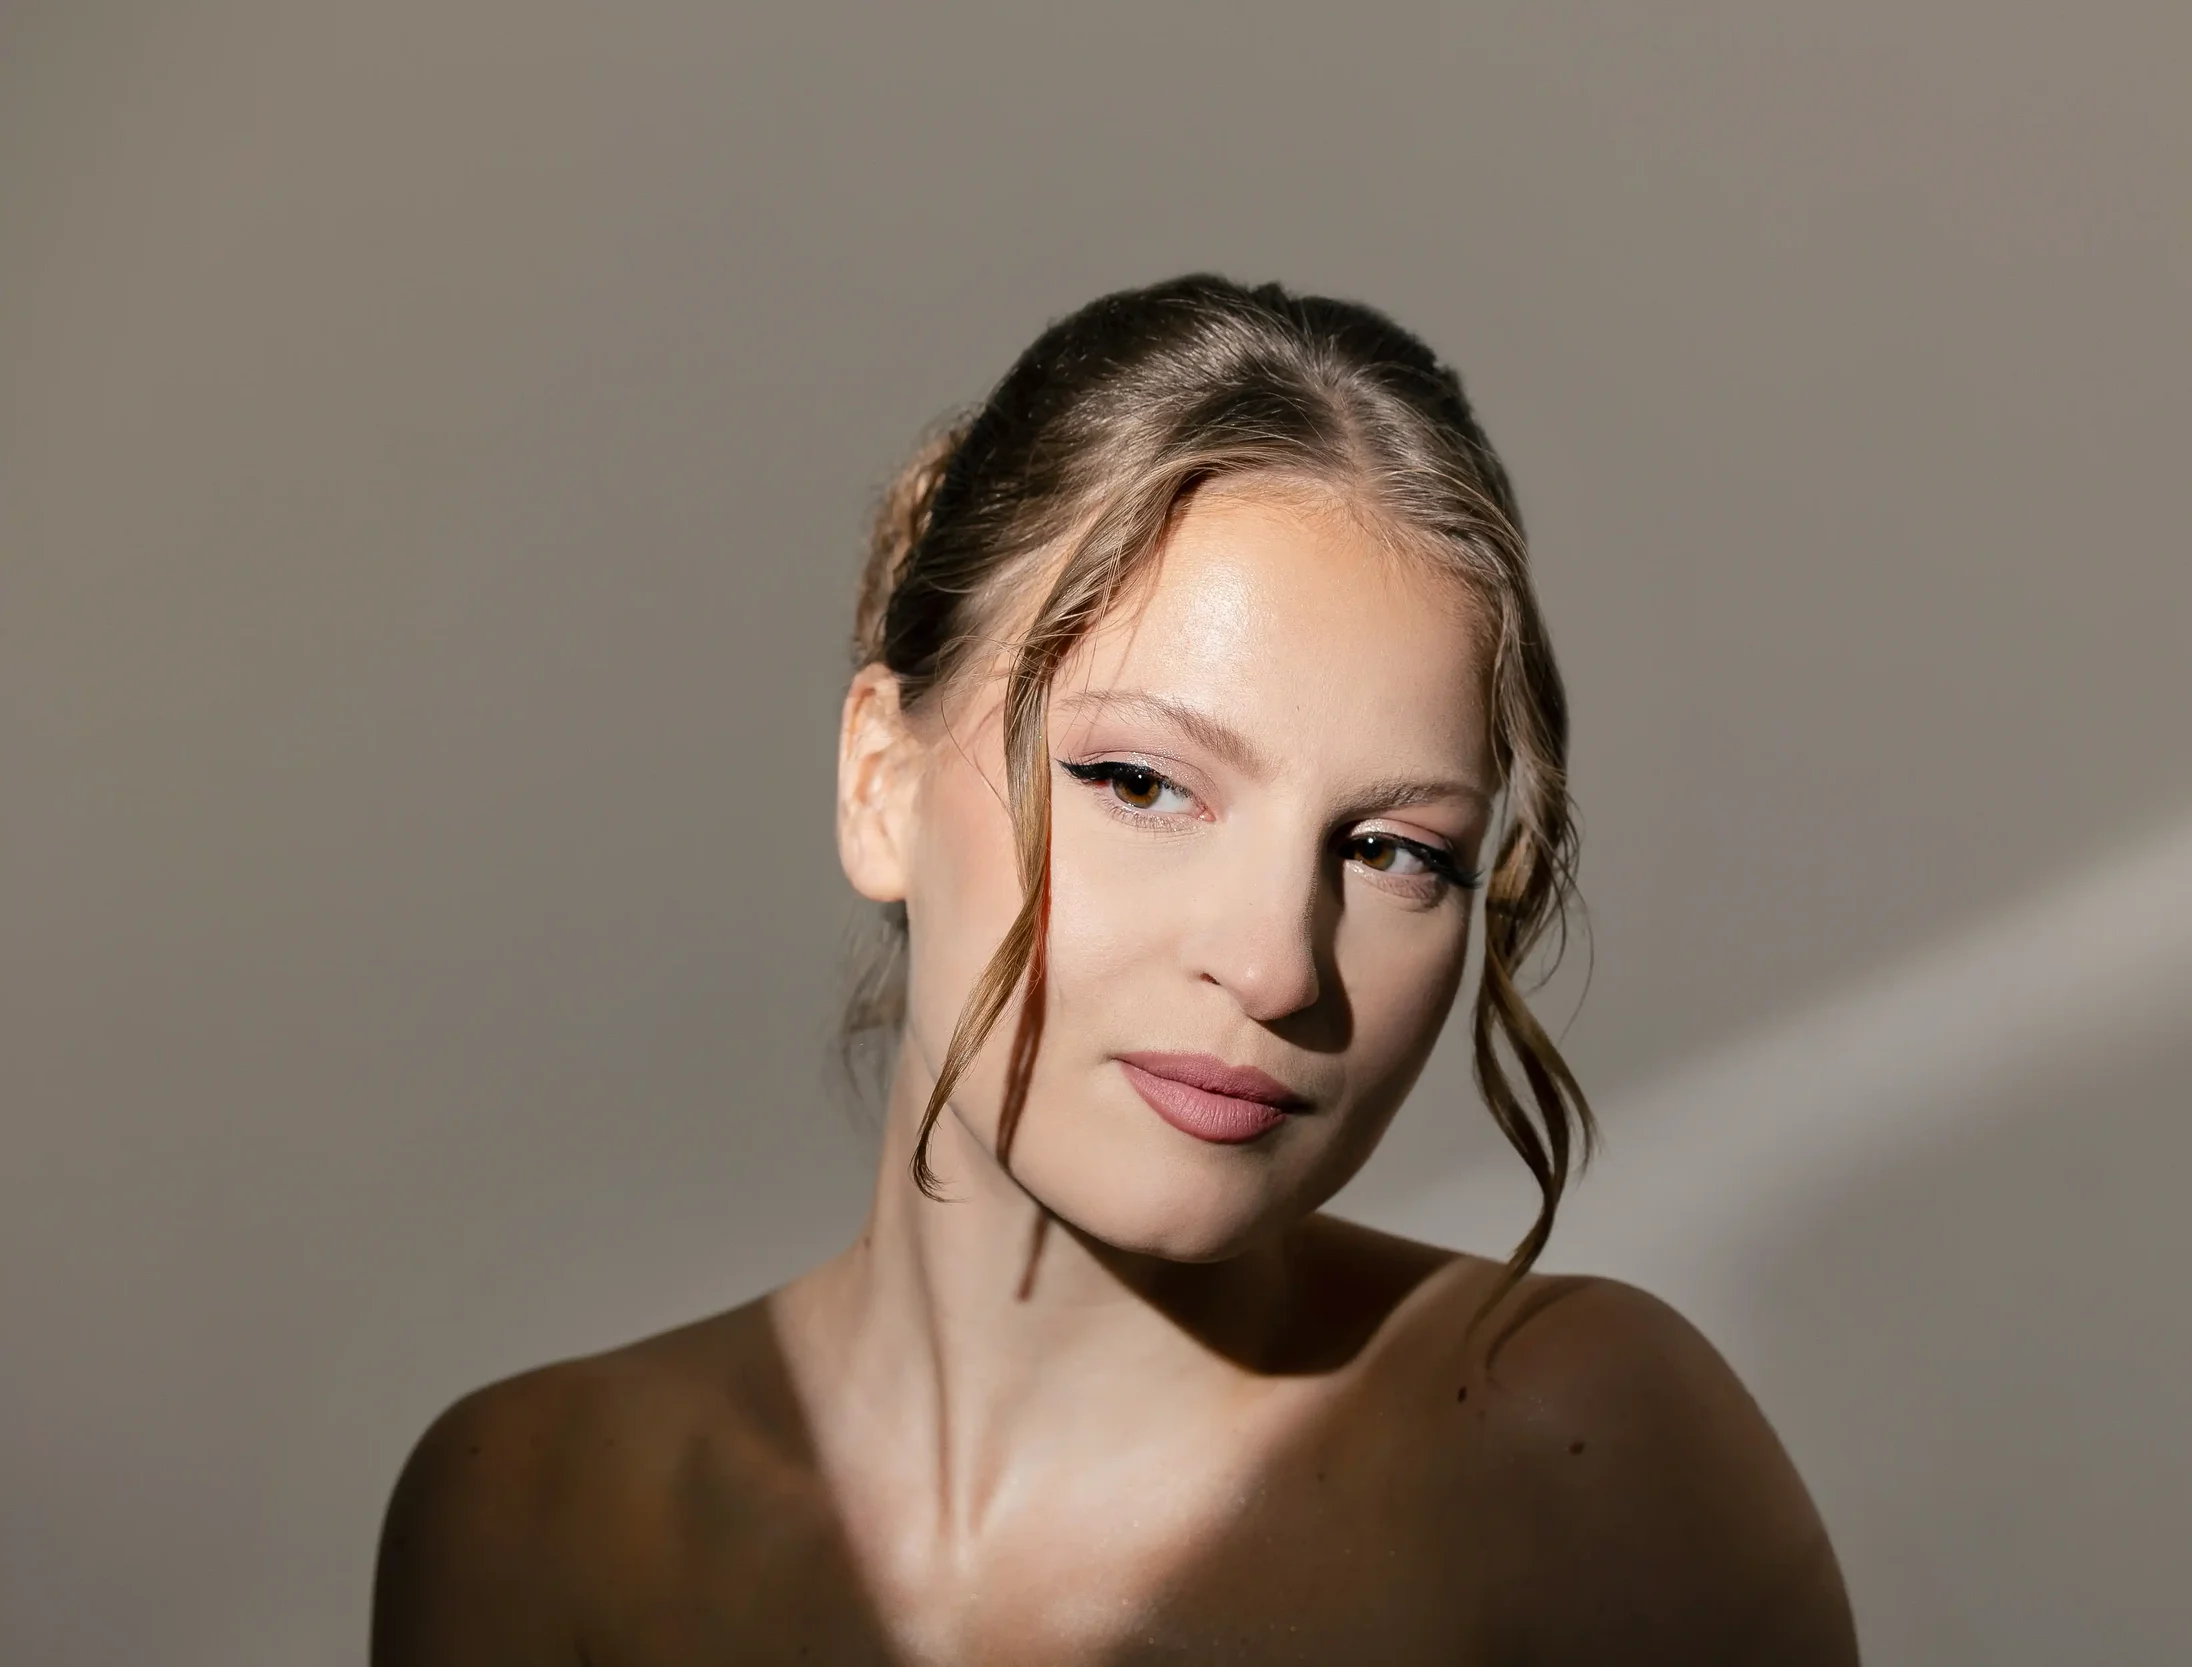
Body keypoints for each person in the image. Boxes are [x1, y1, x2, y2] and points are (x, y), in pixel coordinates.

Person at [370, 274, 1857, 1664]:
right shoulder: (533, 1517)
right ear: (880, 779)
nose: (1278, 963)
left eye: (1397, 852)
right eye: (1143, 783)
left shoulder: (1574, 1459)